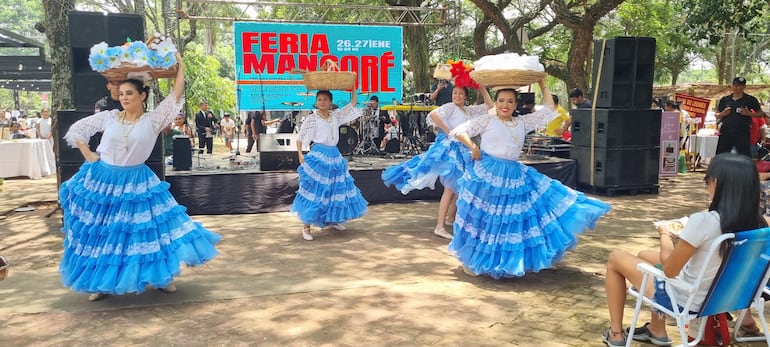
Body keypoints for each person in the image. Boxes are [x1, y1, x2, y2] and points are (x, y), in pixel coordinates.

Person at [58, 54, 221, 302]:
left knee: (146, 231)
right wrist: (88, 153)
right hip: (104, 181)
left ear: (142, 96)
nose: (123, 97)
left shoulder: (153, 120)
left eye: (129, 93)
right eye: (121, 93)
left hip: (137, 181)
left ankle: (159, 277)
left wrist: (181, 67)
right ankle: (102, 282)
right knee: (105, 232)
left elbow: (175, 97)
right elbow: (76, 130)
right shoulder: (109, 117)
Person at [449, 79, 610, 278]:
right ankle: (474, 260)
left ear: (515, 104)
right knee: (487, 219)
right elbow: (459, 131)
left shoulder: (522, 122)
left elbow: (550, 110)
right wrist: (473, 147)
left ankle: (530, 258)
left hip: (515, 175)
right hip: (489, 174)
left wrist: (542, 83)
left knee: (522, 218)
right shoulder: (488, 120)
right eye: (501, 101)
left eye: (509, 101)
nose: (504, 105)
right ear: (496, 103)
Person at [601, 153, 767, 346]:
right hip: (731, 296)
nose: (706, 184)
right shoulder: (760, 224)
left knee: (615, 258)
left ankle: (616, 334)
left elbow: (670, 270)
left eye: (708, 179)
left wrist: (665, 234)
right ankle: (656, 330)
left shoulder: (704, 221)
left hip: (689, 300)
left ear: (717, 183)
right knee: (644, 255)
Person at [382, 79, 493, 240]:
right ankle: (439, 226)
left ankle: (450, 218)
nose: (457, 95)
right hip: (450, 150)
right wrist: (449, 131)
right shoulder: (450, 107)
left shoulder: (469, 111)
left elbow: (490, 107)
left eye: (461, 93)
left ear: (466, 96)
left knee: (459, 188)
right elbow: (433, 114)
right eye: (455, 92)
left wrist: (482, 87)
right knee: (450, 187)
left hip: (464, 150)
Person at [291, 89, 368, 241]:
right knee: (316, 190)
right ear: (316, 101)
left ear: (330, 101)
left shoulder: (335, 116)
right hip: (319, 155)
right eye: (319, 99)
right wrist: (300, 154)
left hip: (334, 155)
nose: (322, 102)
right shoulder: (312, 118)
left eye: (325, 99)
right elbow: (300, 138)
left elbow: (352, 104)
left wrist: (352, 87)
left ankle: (333, 220)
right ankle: (306, 226)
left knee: (335, 189)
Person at [715, 77, 767, 157]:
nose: (736, 87)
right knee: (721, 156)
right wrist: (722, 114)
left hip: (742, 132)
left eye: (739, 85)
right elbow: (716, 114)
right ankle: (721, 169)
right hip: (726, 131)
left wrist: (749, 113)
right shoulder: (725, 99)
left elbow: (761, 114)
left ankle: (745, 169)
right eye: (734, 85)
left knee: (744, 157)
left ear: (744, 87)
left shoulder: (750, 99)